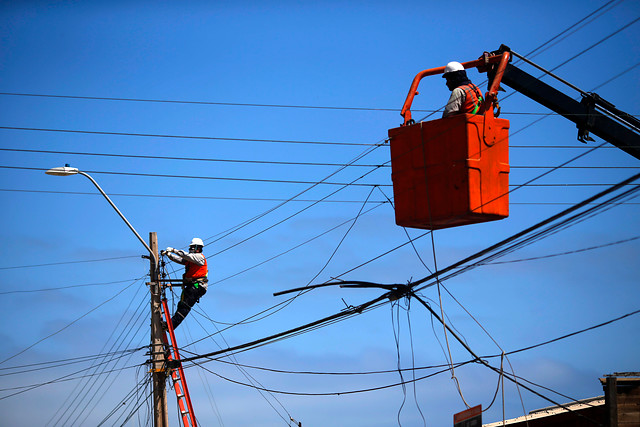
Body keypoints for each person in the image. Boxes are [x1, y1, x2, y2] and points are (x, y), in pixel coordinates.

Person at [162, 237, 208, 329]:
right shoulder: (191, 260)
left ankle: (170, 325)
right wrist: (169, 255)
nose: (190, 249)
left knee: (184, 307)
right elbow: (180, 260)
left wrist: (174, 250)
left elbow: (185, 256)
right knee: (182, 305)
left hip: (197, 286)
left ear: (197, 248)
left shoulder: (199, 257)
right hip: (193, 286)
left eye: (192, 247)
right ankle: (170, 324)